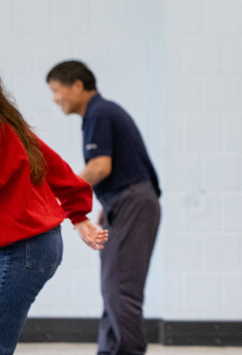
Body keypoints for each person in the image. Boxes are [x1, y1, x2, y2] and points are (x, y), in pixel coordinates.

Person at [0, 43, 108, 354]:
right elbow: (58, 170)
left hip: (21, 250)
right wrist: (78, 216)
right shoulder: (5, 120)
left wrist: (78, 214)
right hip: (36, 245)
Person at [46, 61, 160, 355]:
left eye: (57, 91)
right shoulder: (99, 113)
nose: (55, 98)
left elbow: (99, 166)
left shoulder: (99, 112)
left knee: (120, 289)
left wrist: (60, 193)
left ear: (78, 86)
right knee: (113, 288)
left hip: (131, 202)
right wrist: (105, 204)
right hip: (123, 202)